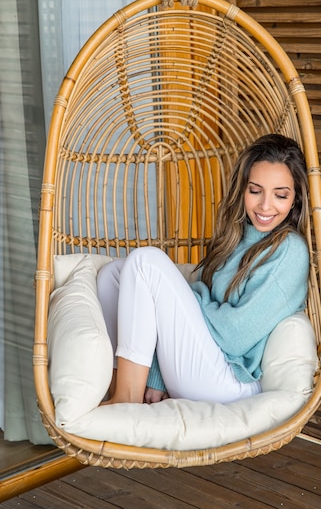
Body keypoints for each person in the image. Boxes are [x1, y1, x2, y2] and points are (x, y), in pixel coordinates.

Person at [96, 133, 310, 405]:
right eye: (255, 191)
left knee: (144, 262)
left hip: (229, 378)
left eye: (280, 195)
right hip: (201, 362)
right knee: (113, 274)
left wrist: (193, 294)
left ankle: (125, 402)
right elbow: (193, 318)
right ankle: (120, 388)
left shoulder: (290, 251)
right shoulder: (236, 237)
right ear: (242, 189)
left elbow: (234, 336)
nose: (265, 206)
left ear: (295, 199)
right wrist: (157, 377)